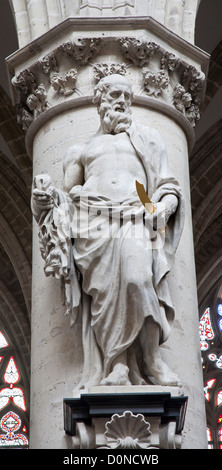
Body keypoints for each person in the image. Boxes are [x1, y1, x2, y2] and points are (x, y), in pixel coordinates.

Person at [32, 74, 184, 389]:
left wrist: (164, 208)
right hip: (93, 226)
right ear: (100, 100)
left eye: (127, 97)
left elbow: (168, 186)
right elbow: (66, 196)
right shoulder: (82, 148)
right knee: (103, 296)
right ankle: (117, 365)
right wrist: (43, 199)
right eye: (115, 95)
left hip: (134, 218)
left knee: (137, 279)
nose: (121, 102)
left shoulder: (148, 140)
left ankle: (152, 362)